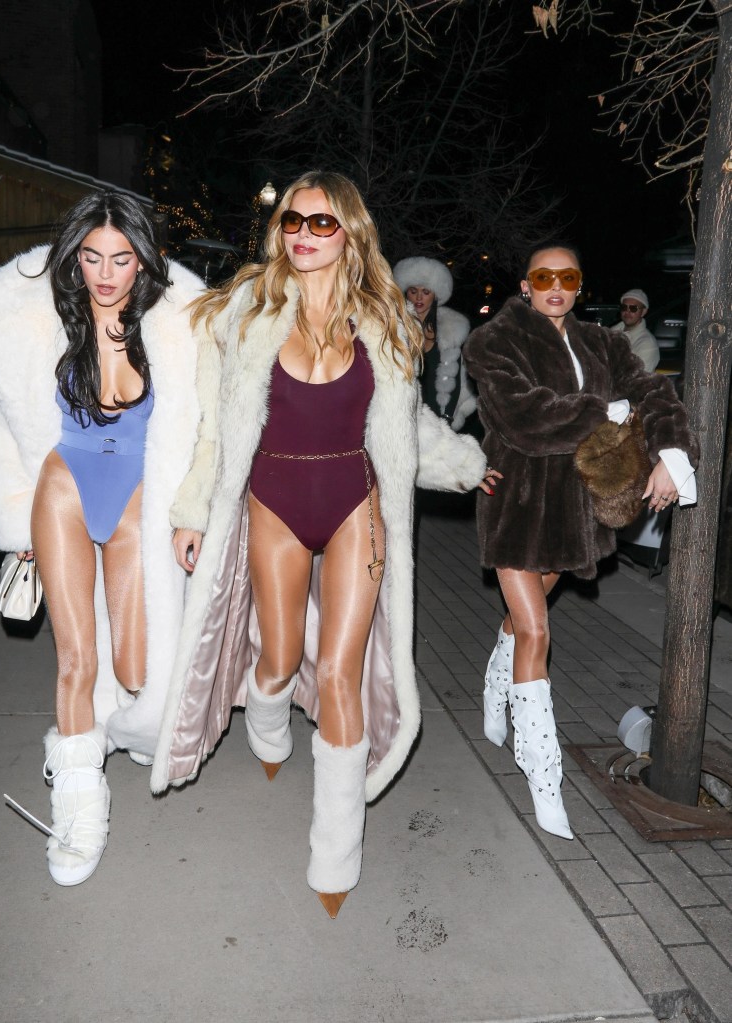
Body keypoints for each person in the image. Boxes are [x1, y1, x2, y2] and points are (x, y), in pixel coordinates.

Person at [151, 171, 496, 917]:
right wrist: (191, 510)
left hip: (354, 503)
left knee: (339, 670)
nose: (301, 234)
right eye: (291, 221)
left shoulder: (384, 321)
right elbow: (216, 427)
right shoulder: (243, 314)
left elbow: (403, 426)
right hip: (272, 499)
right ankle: (268, 712)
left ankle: (335, 848)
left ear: (351, 233)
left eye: (320, 223)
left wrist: (469, 464)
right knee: (278, 652)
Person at [0, 191, 206, 886]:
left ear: (144, 260)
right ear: (74, 256)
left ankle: (116, 733)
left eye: (121, 258)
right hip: (64, 484)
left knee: (137, 668)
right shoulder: (41, 323)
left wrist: (194, 510)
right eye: (92, 256)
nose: (105, 273)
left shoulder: (175, 328)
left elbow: (204, 431)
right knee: (76, 659)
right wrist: (16, 525)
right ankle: (79, 803)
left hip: (137, 497)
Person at [463, 245, 698, 840]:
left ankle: (496, 688)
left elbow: (655, 394)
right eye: (545, 277)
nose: (557, 287)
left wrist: (671, 455)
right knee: (538, 630)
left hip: (573, 510)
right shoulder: (493, 341)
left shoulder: (603, 342)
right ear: (526, 284)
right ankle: (543, 773)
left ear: (579, 283)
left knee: (525, 617)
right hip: (515, 501)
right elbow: (521, 417)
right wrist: (607, 411)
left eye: (569, 277)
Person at [392, 257, 476, 430]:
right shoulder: (395, 329)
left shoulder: (450, 330)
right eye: (413, 291)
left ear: (435, 295)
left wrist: (447, 417)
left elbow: (456, 378)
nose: (419, 297)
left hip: (438, 415)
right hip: (402, 415)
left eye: (426, 291)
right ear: (406, 293)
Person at [611, 288, 660, 372]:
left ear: (643, 312)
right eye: (624, 307)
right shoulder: (610, 333)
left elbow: (636, 380)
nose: (627, 312)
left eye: (633, 308)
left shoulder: (647, 345)